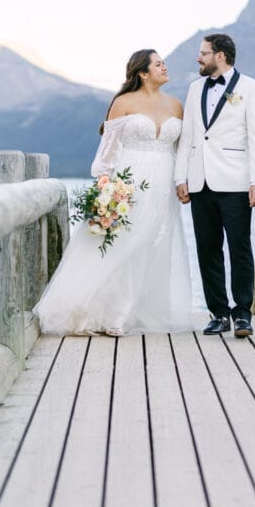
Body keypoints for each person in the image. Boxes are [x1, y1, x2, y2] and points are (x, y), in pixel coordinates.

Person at [33, 49, 195, 336]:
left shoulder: (176, 106)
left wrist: (183, 182)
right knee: (122, 244)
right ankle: (111, 315)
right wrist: (104, 190)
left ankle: (139, 312)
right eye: (158, 64)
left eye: (163, 63)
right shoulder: (123, 102)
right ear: (143, 73)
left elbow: (180, 151)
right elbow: (107, 153)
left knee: (153, 246)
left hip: (161, 188)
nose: (164, 67)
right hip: (128, 184)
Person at [175, 33, 255, 338]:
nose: (198, 58)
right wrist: (181, 178)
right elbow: (188, 137)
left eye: (203, 53)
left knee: (239, 248)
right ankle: (218, 313)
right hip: (200, 181)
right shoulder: (194, 89)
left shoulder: (252, 89)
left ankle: (243, 314)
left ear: (220, 55)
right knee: (207, 249)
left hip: (236, 182)